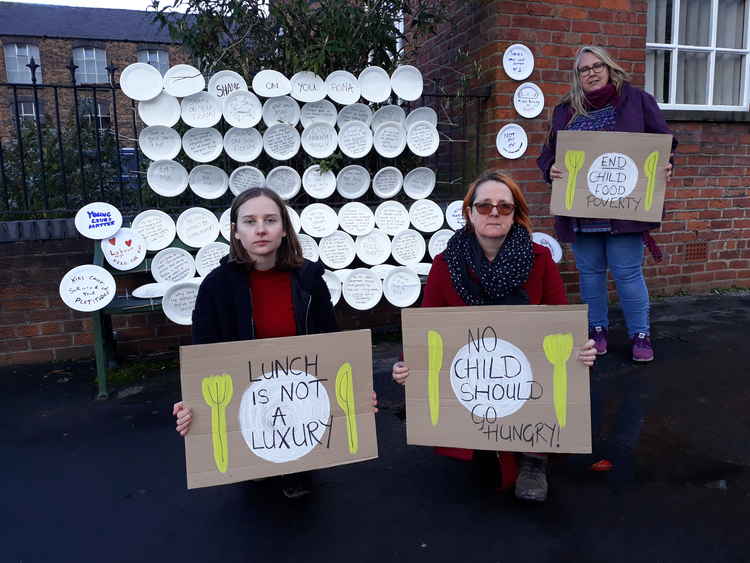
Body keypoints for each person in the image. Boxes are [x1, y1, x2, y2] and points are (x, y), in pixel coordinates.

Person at [391, 171, 597, 502]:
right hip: (474, 371)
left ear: (516, 214)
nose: (494, 213)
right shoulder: (447, 264)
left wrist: (580, 348)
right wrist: (406, 364)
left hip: (527, 369)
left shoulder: (540, 259)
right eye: (484, 206)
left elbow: (560, 319)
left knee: (557, 364)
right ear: (469, 212)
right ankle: (483, 438)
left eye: (504, 206)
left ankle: (535, 458)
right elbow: (428, 325)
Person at [172, 186, 376, 498]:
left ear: (284, 230)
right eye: (249, 221)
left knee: (299, 478)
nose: (261, 229)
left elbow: (330, 343)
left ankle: (297, 470)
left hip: (302, 400)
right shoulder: (217, 286)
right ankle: (258, 469)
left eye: (270, 220)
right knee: (255, 480)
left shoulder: (308, 280)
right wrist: (191, 404)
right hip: (245, 404)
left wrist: (356, 393)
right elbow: (204, 353)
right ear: (236, 232)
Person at [537, 45, 678, 362]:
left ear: (609, 67)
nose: (591, 72)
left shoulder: (637, 101)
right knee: (590, 275)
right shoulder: (566, 110)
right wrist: (551, 168)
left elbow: (663, 141)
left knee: (628, 274)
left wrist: (666, 162)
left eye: (596, 65)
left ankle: (640, 334)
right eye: (583, 69)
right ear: (577, 76)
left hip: (624, 211)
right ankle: (596, 330)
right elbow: (547, 154)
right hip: (581, 212)